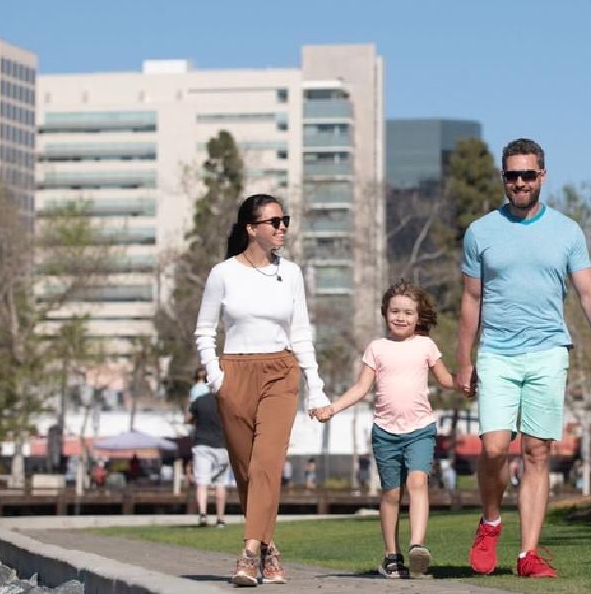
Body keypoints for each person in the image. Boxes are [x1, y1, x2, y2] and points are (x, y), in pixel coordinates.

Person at [455, 138, 591, 579]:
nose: (520, 182)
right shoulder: (481, 231)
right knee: (493, 447)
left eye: (528, 175)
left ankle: (527, 554)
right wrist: (463, 359)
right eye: (512, 175)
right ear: (503, 179)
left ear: (542, 177)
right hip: (497, 352)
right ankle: (491, 521)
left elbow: (588, 292)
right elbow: (471, 300)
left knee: (536, 451)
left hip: (549, 351)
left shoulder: (567, 231)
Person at [195, 193, 332, 586]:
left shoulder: (291, 273)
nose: (282, 227)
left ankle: (249, 552)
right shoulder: (222, 273)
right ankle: (270, 548)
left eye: (283, 219)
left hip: (279, 371)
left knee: (266, 463)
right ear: (250, 229)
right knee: (245, 472)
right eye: (273, 221)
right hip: (234, 373)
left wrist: (315, 388)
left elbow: (301, 333)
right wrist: (217, 376)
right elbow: (205, 330)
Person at [311, 280, 455, 579]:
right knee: (391, 494)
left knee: (418, 483)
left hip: (420, 429)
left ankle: (417, 547)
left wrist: (468, 382)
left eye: (408, 312)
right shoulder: (377, 348)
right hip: (385, 432)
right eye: (394, 311)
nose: (400, 317)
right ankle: (392, 556)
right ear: (385, 313)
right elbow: (361, 388)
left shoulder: (426, 345)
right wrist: (331, 408)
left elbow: (445, 380)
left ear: (419, 317)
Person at [188, 384, 230, 528]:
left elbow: (188, 418)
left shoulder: (199, 401)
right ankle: (220, 519)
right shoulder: (227, 401)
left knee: (202, 482)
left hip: (202, 445)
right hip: (222, 446)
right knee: (220, 483)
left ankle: (203, 515)